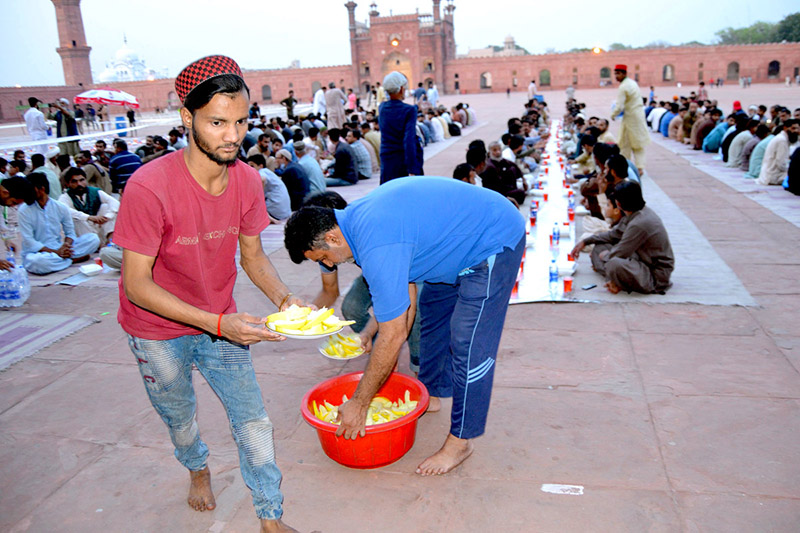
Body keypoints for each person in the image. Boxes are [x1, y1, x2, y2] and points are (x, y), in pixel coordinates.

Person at [114, 55, 299, 533]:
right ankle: (197, 469)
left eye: (241, 122)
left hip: (222, 324)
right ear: (187, 117)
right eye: (217, 122)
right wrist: (217, 323)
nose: (233, 136)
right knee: (179, 415)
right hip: (157, 330)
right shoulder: (148, 187)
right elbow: (136, 284)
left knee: (253, 421)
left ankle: (270, 518)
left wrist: (284, 299)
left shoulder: (246, 180)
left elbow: (253, 257)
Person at [284, 177, 525, 475]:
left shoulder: (375, 241)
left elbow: (396, 332)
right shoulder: (356, 229)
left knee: (469, 340)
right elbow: (403, 300)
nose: (330, 265)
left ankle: (461, 441)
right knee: (433, 314)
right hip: (454, 247)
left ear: (332, 238)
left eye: (324, 258)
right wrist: (369, 332)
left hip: (493, 239)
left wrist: (360, 403)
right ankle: (433, 393)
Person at [572, 180, 673, 295]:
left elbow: (621, 251)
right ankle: (614, 279)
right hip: (639, 258)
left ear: (618, 204)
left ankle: (616, 281)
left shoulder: (640, 223)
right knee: (599, 247)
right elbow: (613, 234)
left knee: (613, 262)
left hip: (654, 274)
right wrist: (586, 242)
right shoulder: (633, 214)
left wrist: (605, 256)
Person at [17, 172, 99, 275]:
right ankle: (71, 260)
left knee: (93, 239)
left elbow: (70, 233)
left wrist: (66, 246)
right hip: (37, 253)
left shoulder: (60, 207)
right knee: (37, 262)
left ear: (41, 189)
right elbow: (29, 241)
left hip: (58, 248)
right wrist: (57, 253)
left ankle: (64, 259)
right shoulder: (24, 210)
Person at [378, 71, 423, 184]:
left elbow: (396, 110)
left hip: (387, 159)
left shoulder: (382, 108)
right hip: (402, 160)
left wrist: (416, 107)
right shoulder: (409, 110)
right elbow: (409, 140)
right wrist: (412, 168)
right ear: (402, 89)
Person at [59, 167, 119, 246]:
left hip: (98, 226)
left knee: (106, 207)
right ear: (68, 184)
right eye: (74, 181)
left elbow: (115, 202)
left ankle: (110, 241)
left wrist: (106, 217)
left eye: (82, 180)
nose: (79, 184)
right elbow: (65, 210)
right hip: (84, 233)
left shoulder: (94, 191)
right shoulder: (65, 197)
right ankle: (96, 245)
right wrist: (88, 217)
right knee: (76, 218)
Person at [611, 65, 649, 175]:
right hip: (638, 115)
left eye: (618, 74)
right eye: (615, 74)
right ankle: (639, 167)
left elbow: (619, 106)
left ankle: (627, 166)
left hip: (630, 118)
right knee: (638, 142)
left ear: (624, 73)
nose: (616, 76)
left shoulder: (623, 86)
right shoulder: (632, 83)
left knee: (625, 143)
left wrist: (613, 115)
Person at [246, 154, 291, 221]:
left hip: (276, 211)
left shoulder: (262, 171)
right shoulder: (268, 172)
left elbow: (262, 179)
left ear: (260, 166)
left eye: (252, 166)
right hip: (284, 211)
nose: (249, 168)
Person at [757, 119, 799, 186]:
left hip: (772, 174)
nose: (796, 131)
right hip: (773, 176)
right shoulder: (782, 140)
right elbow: (781, 165)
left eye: (797, 129)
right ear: (785, 128)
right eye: (793, 128)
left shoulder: (783, 138)